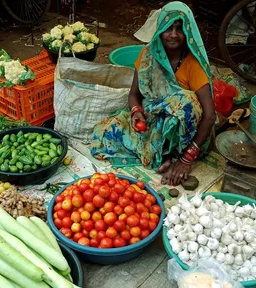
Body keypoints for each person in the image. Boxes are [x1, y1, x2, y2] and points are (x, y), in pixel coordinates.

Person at [90, 1, 216, 186]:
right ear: (159, 30)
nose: (173, 35)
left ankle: (175, 158)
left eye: (179, 29)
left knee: (185, 101)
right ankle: (162, 156)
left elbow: (210, 115)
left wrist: (187, 159)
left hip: (185, 134)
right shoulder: (148, 55)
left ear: (188, 32)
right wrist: (136, 112)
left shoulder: (192, 64)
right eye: (168, 28)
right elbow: (134, 94)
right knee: (106, 131)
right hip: (154, 123)